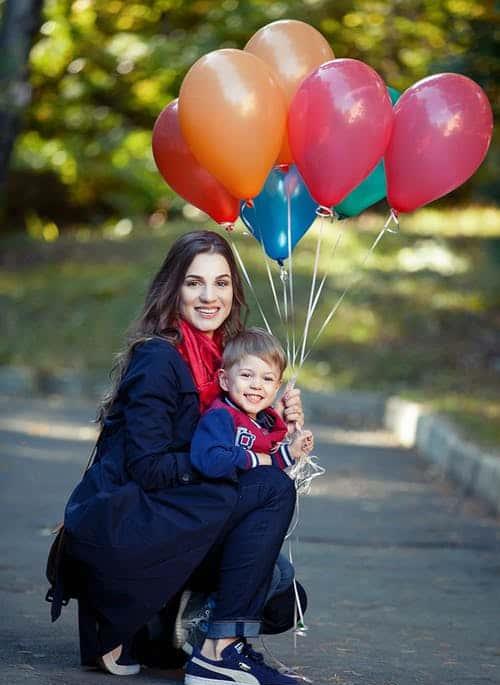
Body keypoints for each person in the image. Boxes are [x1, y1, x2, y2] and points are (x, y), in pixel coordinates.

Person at [52, 230, 306, 682]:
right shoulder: (159, 359)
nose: (210, 296)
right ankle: (218, 651)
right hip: (127, 522)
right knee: (270, 491)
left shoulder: (222, 361)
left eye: (222, 283)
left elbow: (234, 435)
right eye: (195, 283)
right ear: (173, 289)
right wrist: (243, 464)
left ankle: (172, 621)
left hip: (167, 511)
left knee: (280, 587)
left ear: (234, 290)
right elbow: (149, 469)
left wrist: (276, 427)